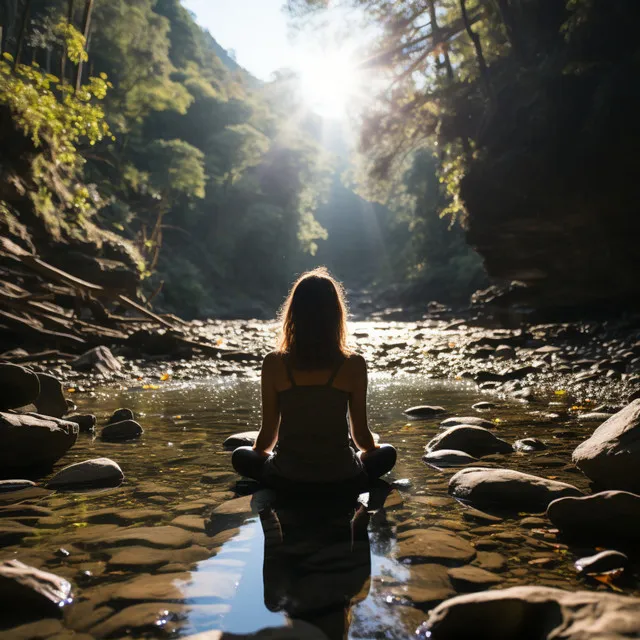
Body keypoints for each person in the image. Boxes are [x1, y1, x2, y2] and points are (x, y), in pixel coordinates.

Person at [232, 267, 396, 491]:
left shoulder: (273, 363)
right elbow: (362, 440)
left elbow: (267, 438)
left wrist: (271, 454)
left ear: (293, 315)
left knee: (241, 456)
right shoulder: (354, 364)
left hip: (286, 479)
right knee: (387, 453)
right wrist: (365, 450)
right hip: (343, 478)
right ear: (336, 315)